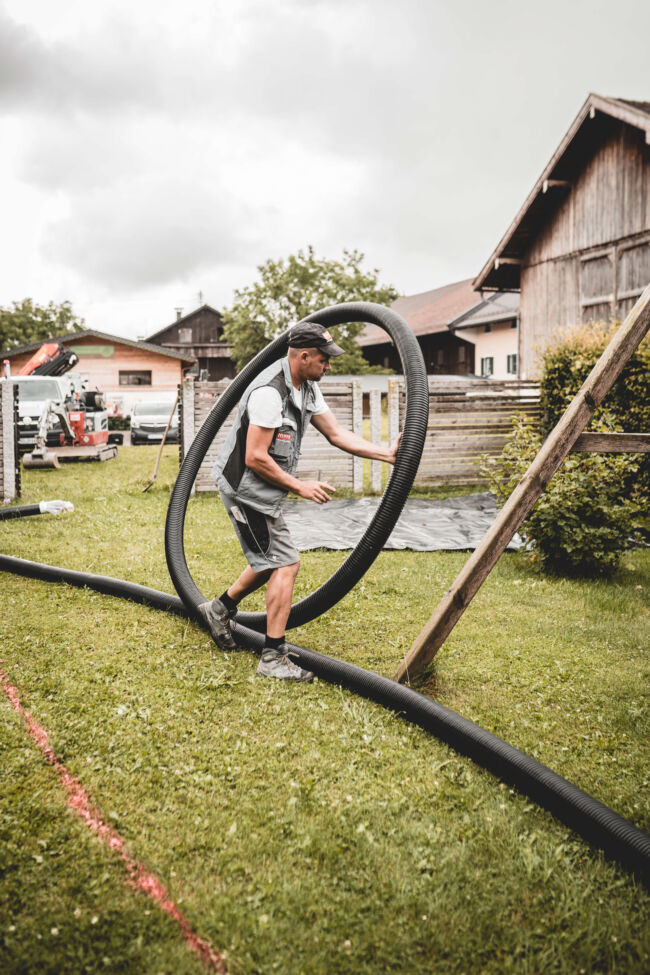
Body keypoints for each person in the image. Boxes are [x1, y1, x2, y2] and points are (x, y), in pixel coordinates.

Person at [198, 320, 401, 682]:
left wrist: (387, 455)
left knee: (268, 560)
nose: (329, 365)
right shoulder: (268, 393)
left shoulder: (306, 388)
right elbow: (255, 457)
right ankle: (272, 657)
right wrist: (300, 486)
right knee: (286, 563)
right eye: (324, 359)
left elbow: (336, 434)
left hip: (263, 490)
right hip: (244, 490)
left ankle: (219, 609)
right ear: (303, 356)